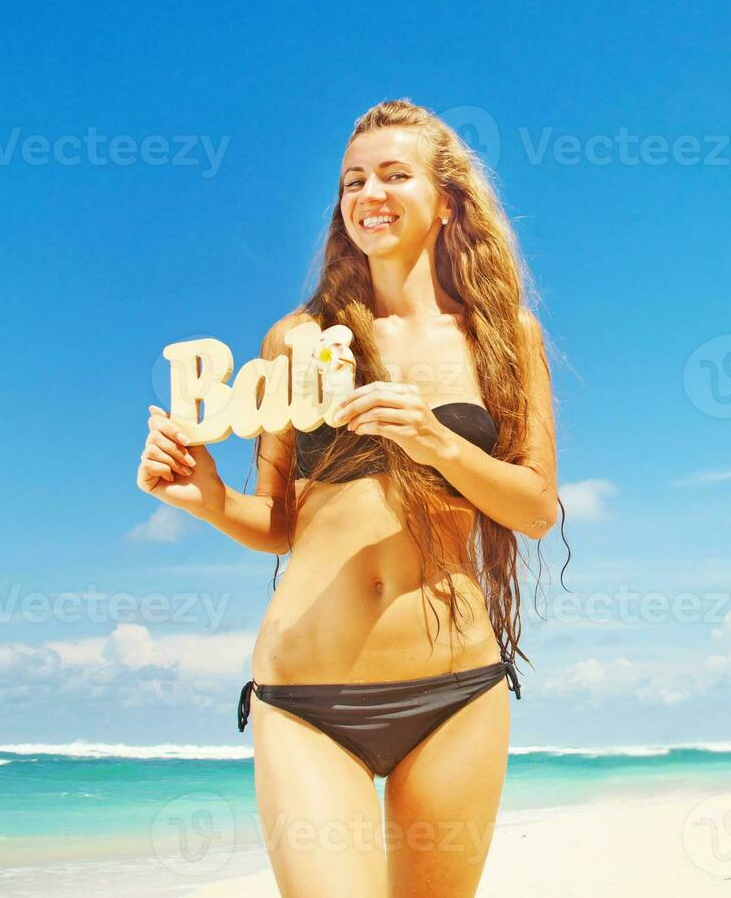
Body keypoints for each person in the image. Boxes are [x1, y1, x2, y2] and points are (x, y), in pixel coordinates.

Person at [136, 98, 568, 897]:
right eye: (352, 180)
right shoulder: (297, 339)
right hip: (306, 698)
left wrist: (433, 439)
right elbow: (276, 523)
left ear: (446, 202)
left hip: (455, 693)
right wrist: (202, 497)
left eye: (395, 175)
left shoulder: (505, 336)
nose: (370, 192)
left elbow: (536, 508)